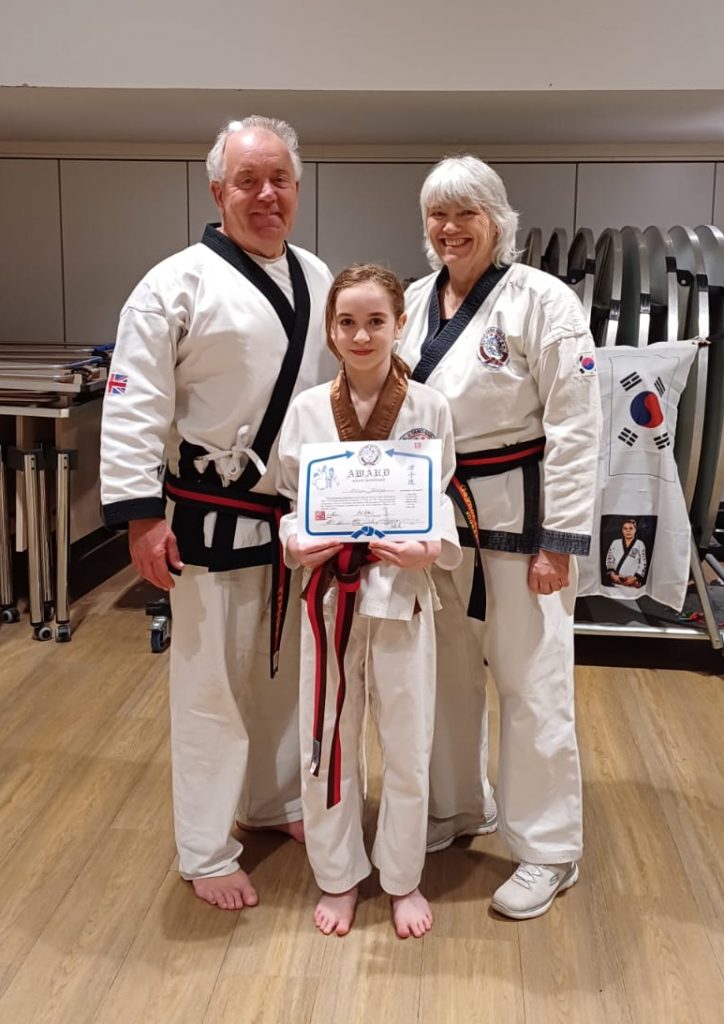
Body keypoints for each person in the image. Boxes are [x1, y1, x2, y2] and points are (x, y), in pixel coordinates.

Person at [100, 116, 335, 911]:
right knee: (211, 686)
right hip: (205, 512)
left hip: (293, 516)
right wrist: (141, 517)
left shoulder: (316, 275)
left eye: (280, 180)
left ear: (298, 188)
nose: (266, 195)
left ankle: (273, 801)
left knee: (281, 674)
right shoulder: (174, 284)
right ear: (217, 191)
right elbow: (134, 404)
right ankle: (204, 849)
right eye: (248, 180)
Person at [397, 156, 602, 920]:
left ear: (498, 220)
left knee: (532, 684)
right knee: (444, 677)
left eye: (466, 213)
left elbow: (577, 424)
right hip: (437, 523)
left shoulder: (543, 300)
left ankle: (548, 849)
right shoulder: (413, 301)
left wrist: (561, 541)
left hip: (520, 524)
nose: (450, 228)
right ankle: (459, 805)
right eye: (438, 215)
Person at [276, 265, 462, 938]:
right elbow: (291, 505)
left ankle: (402, 878)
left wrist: (432, 547)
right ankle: (339, 875)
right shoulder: (307, 410)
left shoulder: (429, 407)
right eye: (347, 322)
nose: (361, 335)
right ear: (330, 330)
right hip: (328, 597)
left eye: (375, 321)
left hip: (402, 597)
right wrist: (298, 543)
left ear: (400, 324)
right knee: (327, 737)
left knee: (407, 742)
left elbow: (439, 497)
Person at [605, 518, 647, 588]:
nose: (628, 531)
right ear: (622, 530)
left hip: (632, 582)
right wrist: (612, 575)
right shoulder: (615, 543)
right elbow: (609, 559)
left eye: (631, 528)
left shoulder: (639, 544)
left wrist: (635, 578)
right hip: (616, 580)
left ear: (635, 530)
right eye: (625, 528)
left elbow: (643, 563)